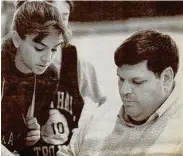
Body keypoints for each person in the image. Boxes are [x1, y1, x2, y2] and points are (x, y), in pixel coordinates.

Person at [1, 1, 105, 156]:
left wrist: (26, 137)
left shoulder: (49, 74)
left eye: (55, 49)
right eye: (39, 49)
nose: (47, 58)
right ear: (16, 39)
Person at [57, 30, 183, 156]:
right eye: (121, 79)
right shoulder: (99, 118)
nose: (124, 91)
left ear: (166, 78)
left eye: (137, 82)